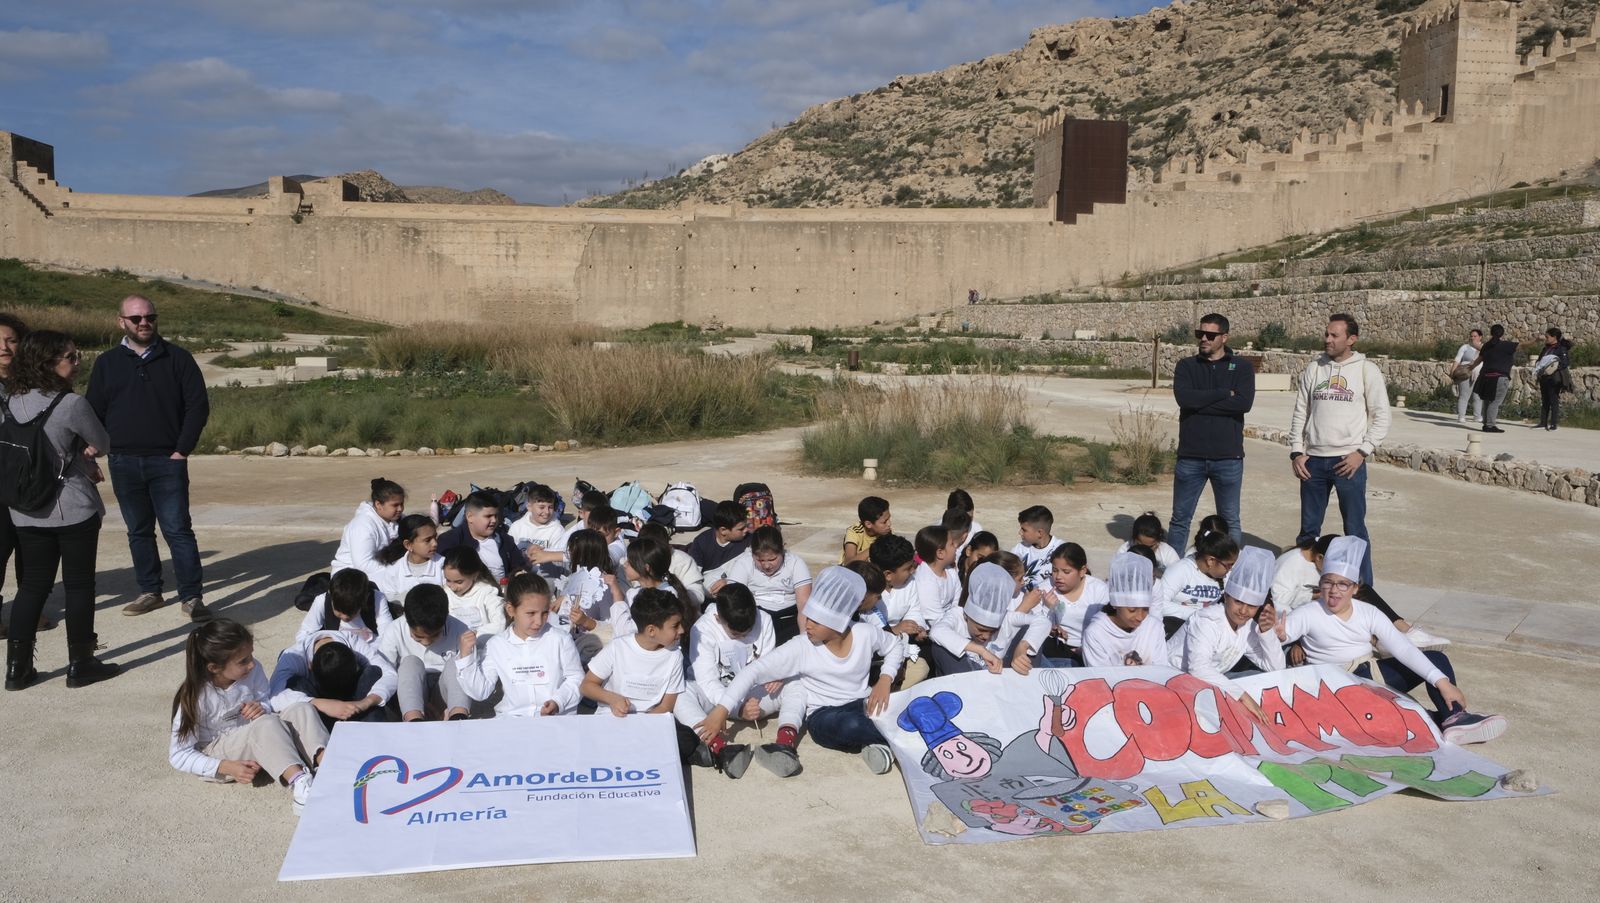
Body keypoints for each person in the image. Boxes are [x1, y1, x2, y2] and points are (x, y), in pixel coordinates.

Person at [1278, 537, 1506, 745]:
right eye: (1328, 583)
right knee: (1395, 713)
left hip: (1371, 677)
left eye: (1342, 584)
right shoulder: (1308, 612)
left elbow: (1403, 648)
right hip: (1336, 689)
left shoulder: (1368, 612)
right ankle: (1432, 720)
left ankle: (1454, 718)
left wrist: (1442, 682)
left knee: (1436, 659)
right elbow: (1281, 635)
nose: (1334, 591)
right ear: (1320, 584)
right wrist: (1274, 632)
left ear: (1355, 588)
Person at [694, 567, 905, 777]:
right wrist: (721, 711)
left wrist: (885, 679)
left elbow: (895, 645)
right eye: (807, 617)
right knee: (853, 725)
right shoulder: (802, 646)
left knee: (903, 709)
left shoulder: (864, 633)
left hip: (862, 703)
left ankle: (878, 746)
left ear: (838, 623)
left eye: (816, 621)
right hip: (824, 715)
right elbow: (753, 672)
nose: (807, 625)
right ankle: (894, 740)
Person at [5, 330, 120, 690]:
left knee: (31, 586)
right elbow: (102, 443)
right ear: (48, 362)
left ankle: (17, 669)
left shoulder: (10, 401)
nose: (78, 362)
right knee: (79, 585)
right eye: (71, 357)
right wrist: (84, 450)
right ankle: (81, 663)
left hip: (25, 510)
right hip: (71, 507)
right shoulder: (70, 404)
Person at [86, 295, 210, 621]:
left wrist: (181, 450)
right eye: (136, 318)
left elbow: (197, 406)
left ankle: (192, 597)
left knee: (177, 530)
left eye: (150, 317)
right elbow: (94, 410)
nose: (144, 323)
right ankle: (150, 591)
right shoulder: (107, 363)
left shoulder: (178, 358)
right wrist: (93, 448)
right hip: (123, 462)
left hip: (167, 461)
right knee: (138, 531)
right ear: (121, 322)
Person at [167, 619, 320, 815]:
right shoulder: (195, 697)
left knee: (301, 709)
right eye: (243, 661)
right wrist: (225, 767)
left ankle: (326, 765)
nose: (252, 664)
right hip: (217, 752)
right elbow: (178, 755)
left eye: (251, 655)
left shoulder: (253, 670)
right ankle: (299, 784)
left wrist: (261, 707)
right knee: (268, 723)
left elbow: (265, 699)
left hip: (257, 734)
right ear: (214, 668)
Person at [1289, 313, 1389, 588]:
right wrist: (1297, 452)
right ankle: (1302, 586)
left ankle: (1363, 590)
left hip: (1348, 462)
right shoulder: (1315, 368)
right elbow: (1300, 412)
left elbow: (1382, 416)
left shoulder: (1366, 370)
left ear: (1351, 339)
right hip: (1313, 462)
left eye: (1334, 335)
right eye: (1327, 334)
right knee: (1308, 531)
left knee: (1355, 531)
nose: (1328, 339)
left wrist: (1362, 452)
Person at [673, 583, 785, 779]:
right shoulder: (702, 628)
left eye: (748, 632)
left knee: (797, 683)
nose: (743, 637)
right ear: (718, 618)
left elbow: (766, 667)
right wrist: (737, 708)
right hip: (717, 701)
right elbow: (707, 681)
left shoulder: (764, 619)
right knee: (679, 693)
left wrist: (777, 676)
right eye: (735, 634)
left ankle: (785, 743)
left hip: (755, 698)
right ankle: (719, 746)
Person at [1170, 313, 1254, 554]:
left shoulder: (1241, 367)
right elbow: (1184, 399)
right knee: (1180, 519)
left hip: (1228, 457)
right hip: (1191, 456)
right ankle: (1173, 570)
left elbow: (1243, 403)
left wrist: (1200, 402)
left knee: (1230, 520)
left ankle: (1229, 568)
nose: (1204, 338)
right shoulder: (1186, 366)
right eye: (1200, 333)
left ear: (1224, 337)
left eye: (1210, 335)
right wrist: (1224, 393)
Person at [1168, 546, 1284, 721]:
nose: (1243, 611)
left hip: (1211, 684)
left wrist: (1267, 632)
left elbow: (1276, 668)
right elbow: (1198, 668)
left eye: (1252, 606)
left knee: (1261, 678)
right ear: (1227, 596)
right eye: (1238, 601)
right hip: (1174, 679)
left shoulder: (1248, 627)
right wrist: (1242, 696)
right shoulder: (1208, 620)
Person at [581, 588, 696, 762]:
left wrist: (641, 727)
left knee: (687, 740)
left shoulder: (674, 656)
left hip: (650, 723)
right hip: (612, 720)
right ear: (651, 630)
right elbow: (587, 685)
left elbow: (666, 706)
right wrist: (612, 699)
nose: (681, 630)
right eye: (675, 626)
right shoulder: (618, 648)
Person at [456, 573, 583, 718]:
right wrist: (466, 657)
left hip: (555, 720)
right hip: (512, 720)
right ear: (511, 610)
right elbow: (480, 691)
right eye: (531, 613)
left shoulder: (560, 639)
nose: (539, 621)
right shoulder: (497, 644)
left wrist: (558, 702)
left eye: (544, 613)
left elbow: (576, 678)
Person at [0, 312, 56, 640]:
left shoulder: (35, 383)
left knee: (31, 547)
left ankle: (30, 609)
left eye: (11, 340)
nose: (4, 347)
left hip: (31, 478)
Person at [929, 562, 1049, 676]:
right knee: (940, 647)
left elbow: (1043, 622)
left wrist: (1022, 647)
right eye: (981, 629)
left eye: (993, 631)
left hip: (1001, 679)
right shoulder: (957, 615)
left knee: (1029, 633)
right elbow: (936, 631)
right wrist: (981, 650)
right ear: (967, 616)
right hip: (968, 680)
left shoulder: (1007, 618)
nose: (986, 636)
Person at [378, 584, 471, 722]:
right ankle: (414, 721)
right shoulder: (395, 630)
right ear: (406, 619)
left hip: (444, 695)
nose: (427, 642)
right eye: (418, 637)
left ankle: (458, 717)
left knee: (457, 664)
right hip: (410, 695)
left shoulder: (460, 630)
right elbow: (385, 672)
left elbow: (469, 672)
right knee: (410, 663)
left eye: (435, 635)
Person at [269, 631, 397, 728]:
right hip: (320, 702)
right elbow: (274, 697)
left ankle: (372, 730)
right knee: (294, 682)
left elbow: (390, 674)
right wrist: (319, 703)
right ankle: (326, 738)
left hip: (356, 700)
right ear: (310, 665)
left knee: (373, 671)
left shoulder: (354, 643)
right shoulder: (293, 657)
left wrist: (367, 702)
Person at [708, 525, 812, 645]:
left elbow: (803, 605)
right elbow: (735, 599)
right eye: (760, 560)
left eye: (772, 559)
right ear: (752, 553)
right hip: (755, 618)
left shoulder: (795, 563)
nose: (766, 566)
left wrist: (804, 639)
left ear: (782, 550)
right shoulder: (744, 563)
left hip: (788, 618)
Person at [1081, 552, 1167, 668]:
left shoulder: (1154, 627)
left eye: (1145, 609)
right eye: (1132, 610)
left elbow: (1161, 669)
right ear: (1116, 605)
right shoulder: (1096, 633)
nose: (1140, 617)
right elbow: (1101, 676)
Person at [1154, 528, 1237, 634]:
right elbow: (1159, 604)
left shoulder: (1226, 575)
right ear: (1211, 561)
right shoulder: (1181, 570)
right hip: (1178, 627)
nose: (1230, 569)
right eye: (1228, 565)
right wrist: (1198, 614)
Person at [436, 491, 530, 584]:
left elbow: (519, 566)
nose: (494, 520)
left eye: (496, 515)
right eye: (488, 516)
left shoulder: (504, 539)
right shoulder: (449, 541)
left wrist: (518, 574)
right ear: (470, 517)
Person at [328, 478, 405, 588]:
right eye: (395, 505)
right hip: (348, 582)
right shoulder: (362, 525)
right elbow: (364, 565)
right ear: (378, 504)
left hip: (380, 573)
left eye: (402, 504)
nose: (400, 509)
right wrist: (397, 572)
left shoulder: (398, 519)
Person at [1039, 542, 1107, 665]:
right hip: (1057, 649)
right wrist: (1048, 613)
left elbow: (1107, 627)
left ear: (1082, 571)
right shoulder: (1044, 589)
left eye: (1066, 572)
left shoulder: (1099, 590)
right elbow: (1034, 628)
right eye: (1055, 570)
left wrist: (1085, 649)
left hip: (1093, 648)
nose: (1058, 576)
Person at [295, 567, 392, 644]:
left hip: (370, 647)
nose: (345, 617)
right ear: (331, 596)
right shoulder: (322, 601)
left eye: (351, 612)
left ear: (365, 599)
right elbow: (304, 634)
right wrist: (320, 644)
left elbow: (387, 633)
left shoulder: (377, 598)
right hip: (336, 649)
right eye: (339, 610)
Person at [373, 514, 443, 604]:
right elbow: (390, 602)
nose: (435, 543)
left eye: (435, 537)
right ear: (408, 545)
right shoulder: (393, 571)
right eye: (427, 540)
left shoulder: (443, 566)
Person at [440, 547, 504, 638]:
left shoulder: (486, 592)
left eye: (459, 582)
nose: (453, 588)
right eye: (448, 580)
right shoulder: (444, 593)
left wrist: (472, 635)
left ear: (475, 575)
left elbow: (499, 624)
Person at [507, 484, 569, 572]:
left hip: (545, 575)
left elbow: (558, 563)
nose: (546, 512)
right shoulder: (516, 527)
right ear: (529, 507)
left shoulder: (558, 530)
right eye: (541, 507)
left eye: (550, 507)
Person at [911, 525, 960, 629]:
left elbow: (958, 603)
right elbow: (936, 619)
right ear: (940, 553)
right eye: (951, 544)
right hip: (935, 629)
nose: (956, 546)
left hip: (951, 622)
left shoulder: (950, 571)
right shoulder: (925, 581)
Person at [1471, 323, 1518, 434]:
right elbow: (1523, 345)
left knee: (1487, 401)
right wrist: (1536, 340)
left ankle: (1486, 424)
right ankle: (1490, 425)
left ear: (1491, 332)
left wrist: (1470, 367)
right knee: (1495, 402)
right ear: (1502, 333)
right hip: (1499, 378)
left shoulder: (1486, 346)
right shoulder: (1507, 345)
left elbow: (1480, 359)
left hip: (1486, 377)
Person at [685, 500, 750, 572]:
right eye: (741, 529)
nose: (746, 530)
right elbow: (693, 574)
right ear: (723, 530)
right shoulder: (701, 543)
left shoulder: (750, 540)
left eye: (747, 526)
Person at [1010, 505, 1062, 591]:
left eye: (1024, 530)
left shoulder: (1062, 550)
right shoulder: (1019, 549)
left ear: (1040, 533)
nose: (1020, 532)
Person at [1114, 511, 1180, 572]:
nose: (1144, 550)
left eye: (1150, 547)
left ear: (1158, 541)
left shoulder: (1168, 554)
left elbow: (1178, 574)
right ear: (1134, 539)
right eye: (1140, 546)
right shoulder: (1124, 551)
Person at [1534, 327, 1573, 431]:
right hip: (1544, 377)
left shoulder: (1561, 349)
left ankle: (1553, 424)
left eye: (1547, 337)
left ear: (1554, 337)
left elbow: (1565, 363)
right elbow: (1540, 360)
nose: (1545, 339)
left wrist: (1553, 368)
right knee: (1545, 400)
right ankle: (1543, 423)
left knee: (1553, 400)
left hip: (1554, 378)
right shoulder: (1546, 348)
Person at [842, 496, 892, 564]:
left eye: (889, 518)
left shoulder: (885, 532)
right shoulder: (855, 532)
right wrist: (875, 548)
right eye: (884, 522)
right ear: (868, 524)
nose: (889, 524)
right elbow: (848, 563)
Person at [1451, 328, 1484, 425]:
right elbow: (1457, 360)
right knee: (1464, 396)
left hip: (1479, 374)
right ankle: (1461, 416)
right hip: (1465, 373)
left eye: (1475, 336)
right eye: (1471, 336)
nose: (1473, 338)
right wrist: (1452, 372)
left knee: (1478, 396)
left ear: (1480, 337)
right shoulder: (1465, 347)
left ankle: (1477, 416)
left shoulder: (1484, 348)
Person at [947, 488, 983, 556]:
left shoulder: (976, 529)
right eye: (963, 519)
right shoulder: (939, 531)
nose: (968, 523)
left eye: (970, 517)